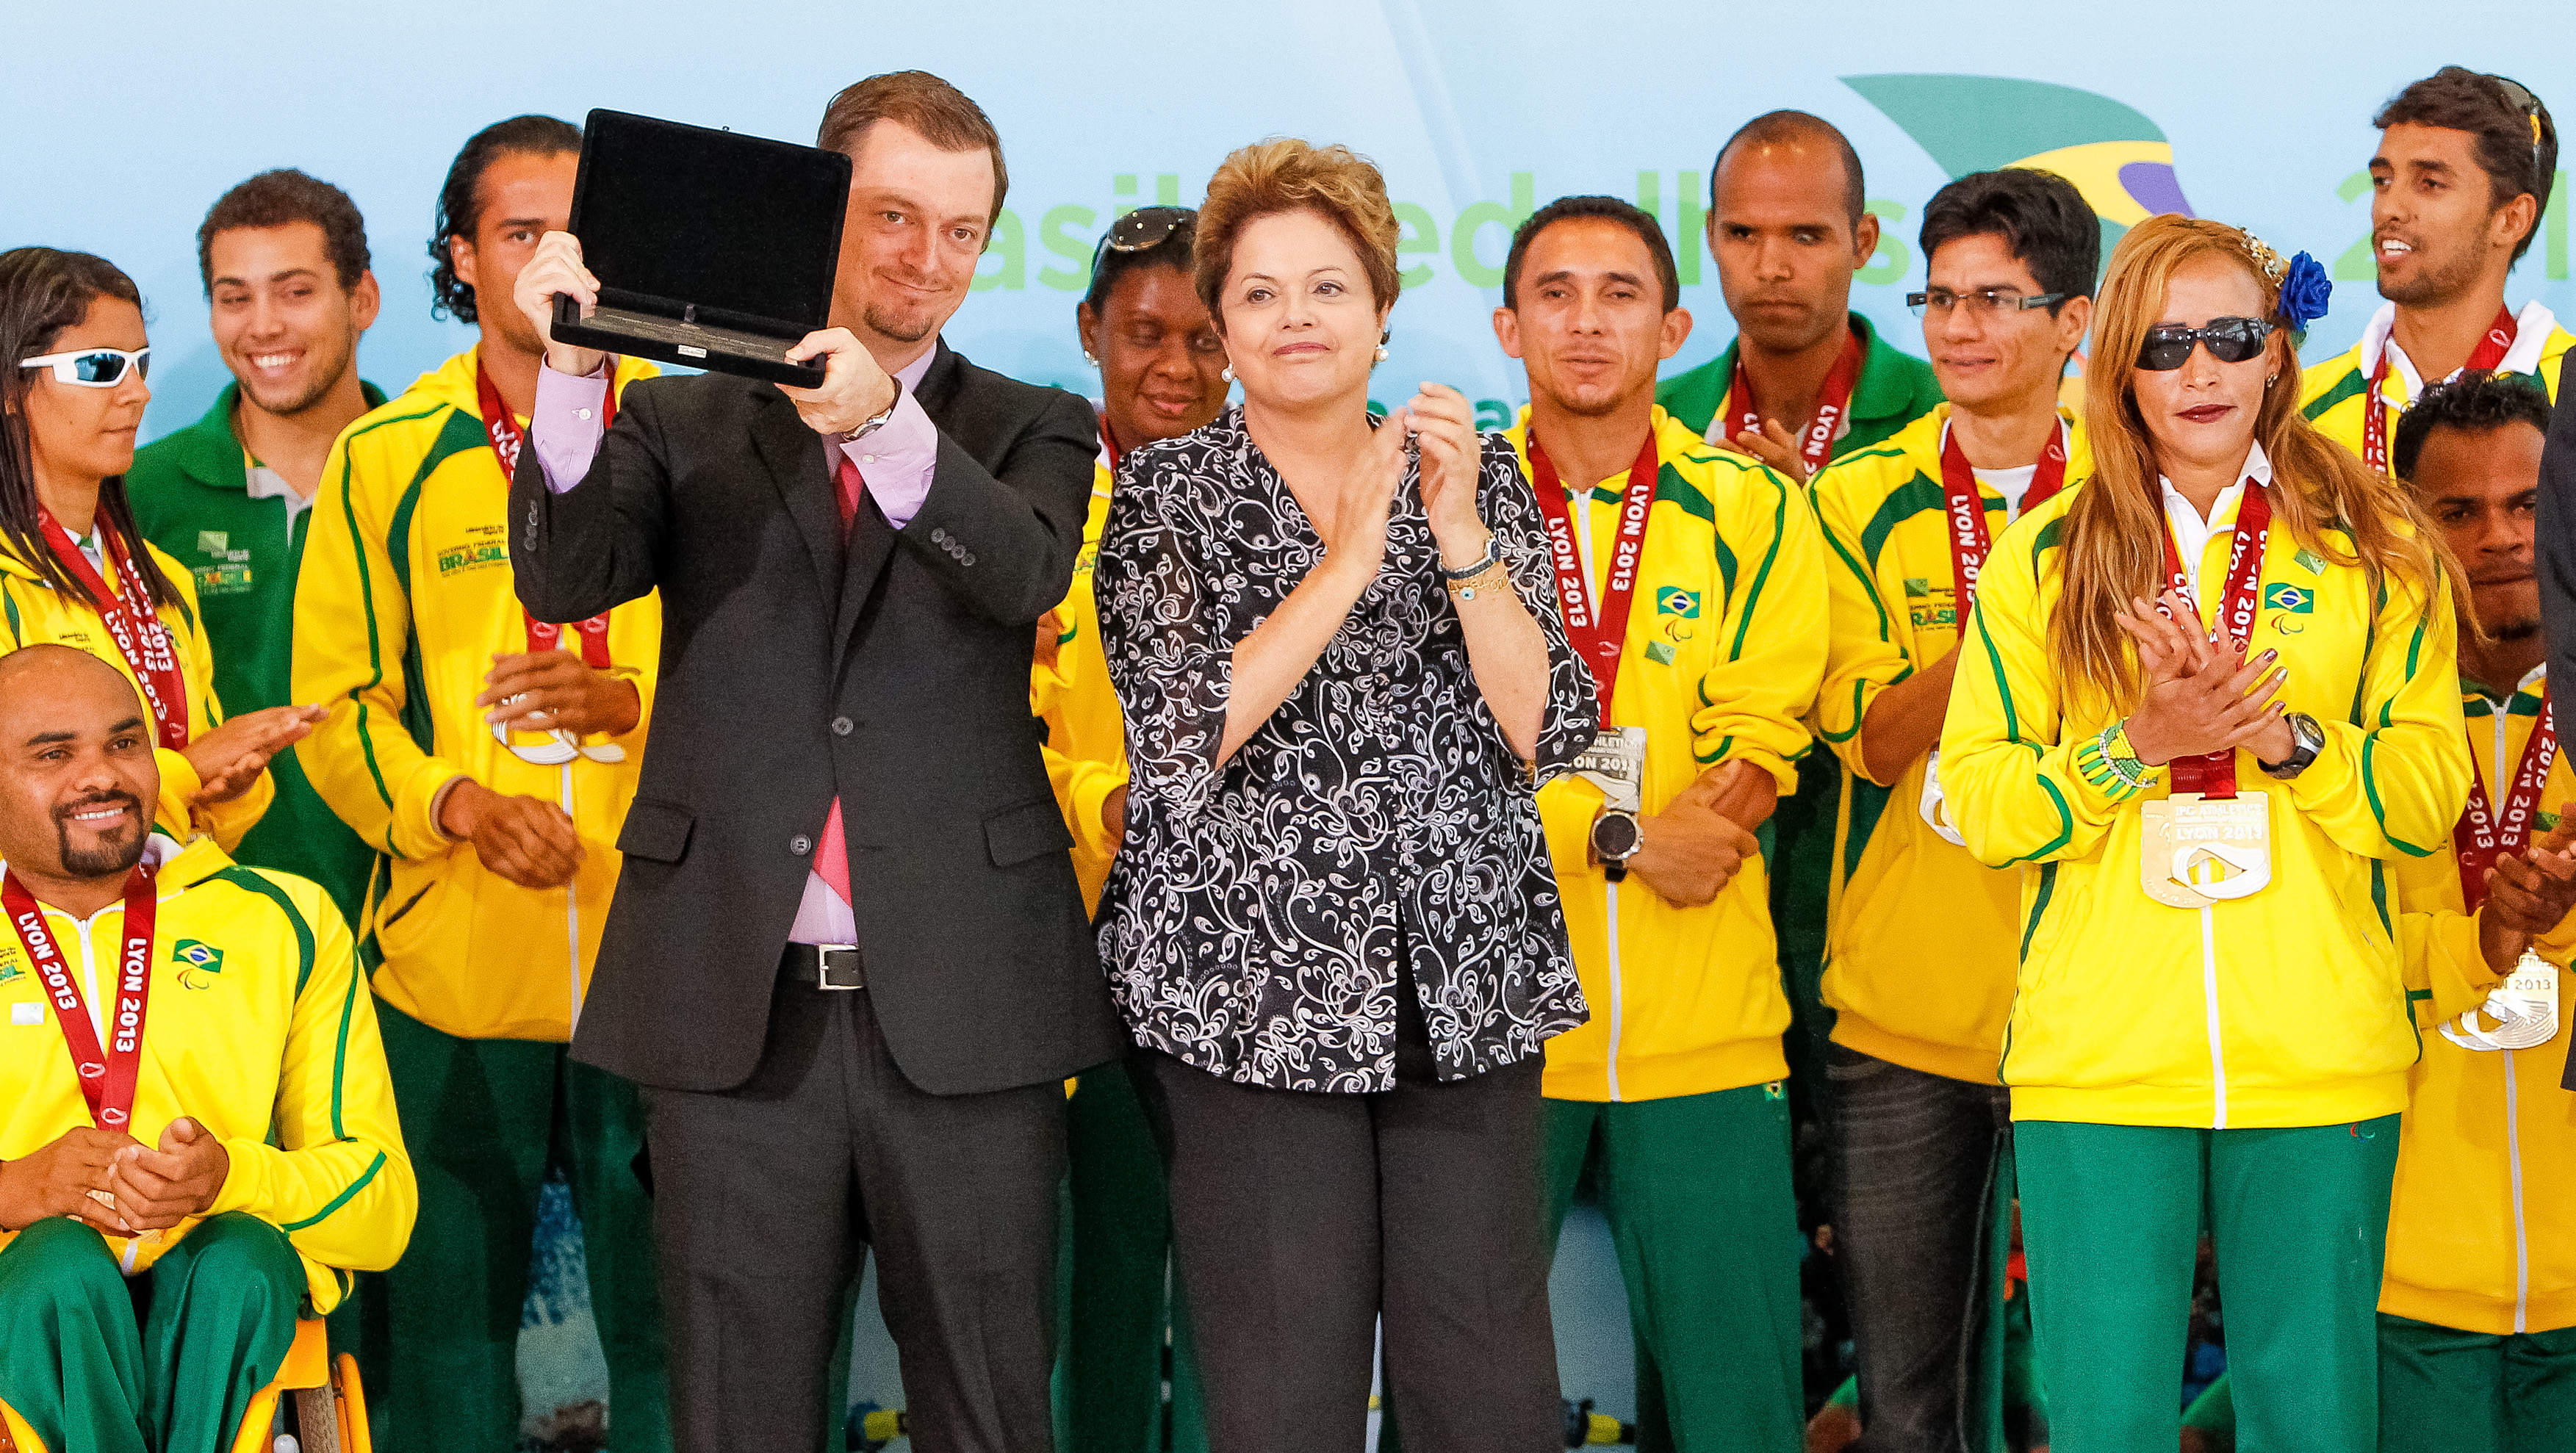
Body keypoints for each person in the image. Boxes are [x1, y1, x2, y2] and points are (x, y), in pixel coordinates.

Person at [506, 72, 1126, 1453]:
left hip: (969, 1010)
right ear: (820, 211)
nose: (926, 259)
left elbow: (1020, 573)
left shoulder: (1035, 423)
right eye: (896, 216)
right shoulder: (683, 418)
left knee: (991, 1403)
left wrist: (874, 421)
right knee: (735, 1410)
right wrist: (573, 366)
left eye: (961, 231)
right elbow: (565, 573)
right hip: (735, 1011)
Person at [1093, 136, 1595, 1453]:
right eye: (1259, 294)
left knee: (1484, 1386)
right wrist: (1353, 552)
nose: (1295, 319)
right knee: (1277, 1391)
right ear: (1223, 326)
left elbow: (1546, 725)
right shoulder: (1163, 495)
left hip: (1462, 982)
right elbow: (1178, 734)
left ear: (1381, 310)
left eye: (1327, 288)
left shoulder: (1479, 477)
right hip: (1252, 992)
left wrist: (1459, 537)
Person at [1940, 212, 2469, 1452]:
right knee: (2106, 1418)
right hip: (2100, 1059)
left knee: (2315, 1414)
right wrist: (2138, 744)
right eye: (2165, 341)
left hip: (2318, 1052)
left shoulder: (2375, 548)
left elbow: (2430, 788)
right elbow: (1985, 803)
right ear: (2118, 362)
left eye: (2231, 335)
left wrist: (2286, 744)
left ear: (2275, 353)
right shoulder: (2045, 561)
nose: (2199, 369)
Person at [291, 115, 667, 1453]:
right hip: (453, 959)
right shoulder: (391, 455)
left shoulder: (693, 431)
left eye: (582, 235)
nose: (559, 260)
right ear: (461, 254)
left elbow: (791, 686)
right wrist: (452, 804)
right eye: (521, 233)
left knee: (674, 1322)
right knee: (442, 1326)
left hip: (666, 953)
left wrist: (641, 702)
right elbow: (335, 705)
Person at [1494, 194, 1824, 1453]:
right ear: (1507, 327)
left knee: (1738, 1404)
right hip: (1492, 1039)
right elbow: (1428, 775)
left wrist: (1701, 818)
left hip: (1707, 1032)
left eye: (1620, 293)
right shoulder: (1436, 509)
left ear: (1675, 325)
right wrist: (1623, 837)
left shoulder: (1747, 506)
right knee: (1456, 1392)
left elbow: (1768, 728)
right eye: (1557, 293)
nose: (1587, 321)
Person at [1806, 167, 2095, 1453]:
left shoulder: (2144, 493)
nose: (1960, 328)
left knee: (2100, 1390)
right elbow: (1869, 736)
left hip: (2101, 1005)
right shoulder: (1854, 497)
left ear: (2074, 321)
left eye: (1998, 299)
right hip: (1907, 1006)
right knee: (1909, 1402)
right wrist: (2014, 602)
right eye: (1939, 298)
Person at [0, 644, 414, 1453]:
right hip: (29, 1305)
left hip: (228, 1313)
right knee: (57, 1273)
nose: (103, 776)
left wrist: (230, 1175)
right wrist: (15, 1187)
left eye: (125, 744)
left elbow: (383, 1203)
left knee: (242, 1262)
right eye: (55, 754)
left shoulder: (283, 920)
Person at [1654, 109, 1945, 1157]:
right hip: (1705, 867)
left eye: (1806, 237)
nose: (1770, 265)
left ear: (1863, 243)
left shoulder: (1937, 419)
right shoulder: (1656, 421)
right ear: (1711, 241)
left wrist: (1812, 523)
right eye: (1742, 235)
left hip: (1893, 869)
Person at [1045, 204, 1225, 1453]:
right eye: (1144, 333)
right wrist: (1097, 794)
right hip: (1082, 948)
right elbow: (985, 712)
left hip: (1259, 951)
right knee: (1098, 1270)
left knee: (1247, 1287)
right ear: (1090, 332)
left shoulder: (1296, 497)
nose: (1176, 365)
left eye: (1206, 336)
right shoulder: (1030, 491)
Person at [2380, 374, 2576, 1453]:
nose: (2500, 536)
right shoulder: (2360, 730)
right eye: (2457, 511)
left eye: (2528, 501)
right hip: (2408, 1285)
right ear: (2407, 525)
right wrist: (2481, 940)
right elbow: (2336, 951)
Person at [126, 170, 384, 926]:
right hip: (208, 917)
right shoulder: (144, 491)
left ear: (361, 300)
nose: (262, 325)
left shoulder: (424, 468)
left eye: (295, 291)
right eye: (234, 297)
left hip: (415, 913)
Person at [0, 248, 320, 859]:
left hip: (170, 925)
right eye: (99, 367)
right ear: (11, 388)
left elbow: (192, 829)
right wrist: (187, 772)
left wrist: (229, 791)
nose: (138, 393)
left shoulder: (159, 577)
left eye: (139, 363)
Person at [2300, 69, 2566, 472]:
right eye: (2383, 180)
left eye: (2431, 183)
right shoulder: (2298, 414)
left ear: (2511, 219)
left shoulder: (2567, 390)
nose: (2389, 208)